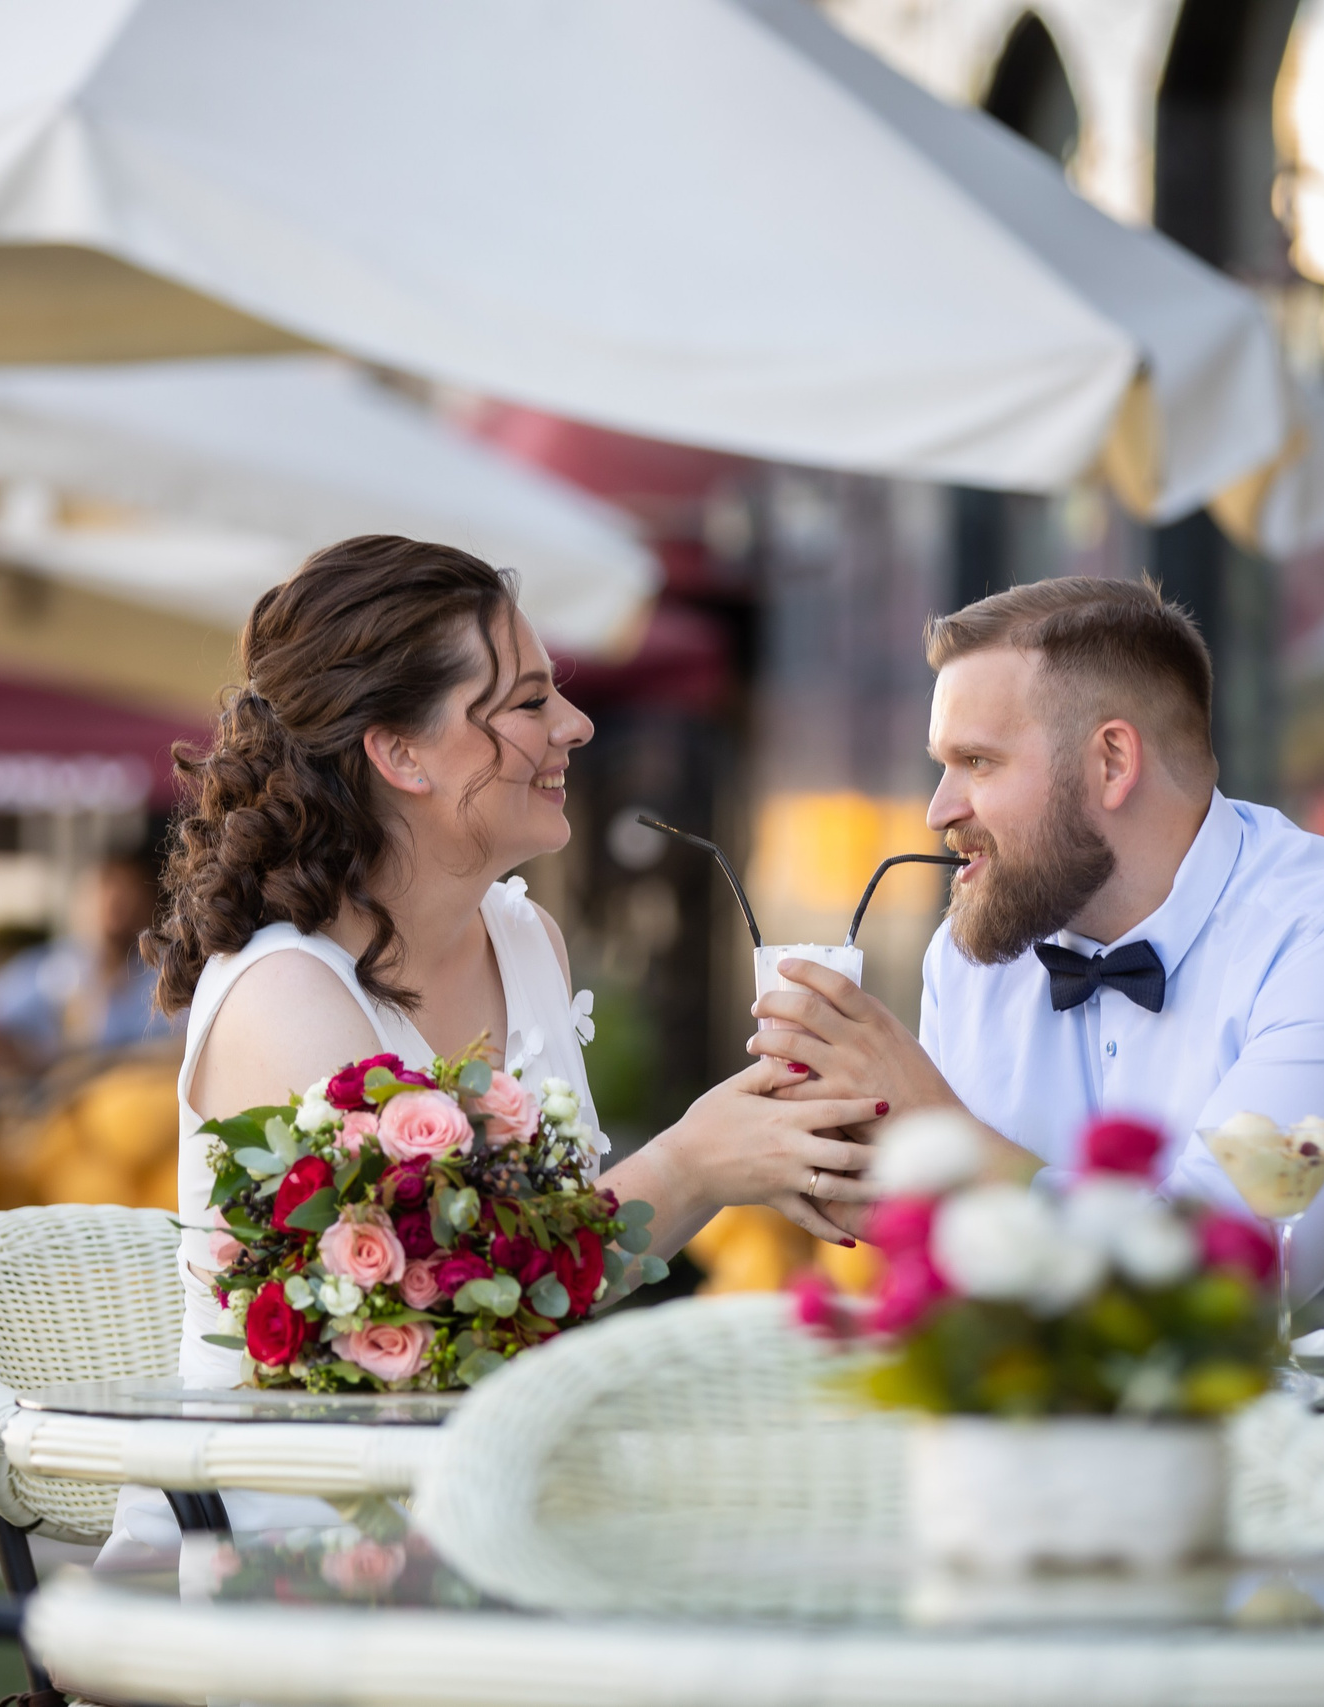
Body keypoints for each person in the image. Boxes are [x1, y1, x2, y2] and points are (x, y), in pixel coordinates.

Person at [750, 577, 1324, 1515]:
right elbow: (1005, 1285)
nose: (938, 810)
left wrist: (938, 1135)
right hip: (1158, 1458)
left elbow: (1221, 1282)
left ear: (1112, 761)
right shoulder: (976, 959)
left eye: (976, 761)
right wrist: (870, 1183)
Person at [153, 534, 882, 1390]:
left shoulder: (528, 939)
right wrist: (691, 1161)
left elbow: (552, 1292)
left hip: (492, 1445)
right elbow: (437, 1330)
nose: (577, 725)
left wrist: (760, 1147)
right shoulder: (287, 994)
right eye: (531, 702)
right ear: (401, 753)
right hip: (299, 1462)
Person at [0, 839, 178, 1069]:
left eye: (128, 892)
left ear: (151, 902)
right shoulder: (51, 969)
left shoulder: (169, 975)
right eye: (105, 889)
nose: (115, 904)